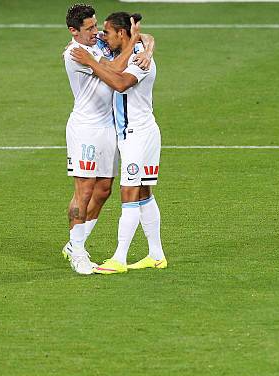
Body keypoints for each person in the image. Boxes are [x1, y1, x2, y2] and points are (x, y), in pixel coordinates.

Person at [71, 11, 166, 274]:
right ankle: (156, 255)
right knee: (144, 193)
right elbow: (147, 36)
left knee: (129, 194)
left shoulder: (139, 60)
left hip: (138, 135)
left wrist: (91, 62)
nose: (102, 35)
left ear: (121, 34)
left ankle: (119, 259)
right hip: (134, 134)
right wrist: (147, 42)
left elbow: (121, 83)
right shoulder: (127, 48)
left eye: (108, 32)